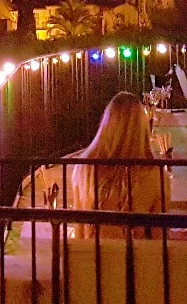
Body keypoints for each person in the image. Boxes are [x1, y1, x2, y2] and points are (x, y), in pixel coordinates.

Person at [69, 92, 166, 229]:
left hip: (93, 242)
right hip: (133, 243)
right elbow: (159, 237)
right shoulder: (155, 175)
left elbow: (79, 229)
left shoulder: (84, 167)